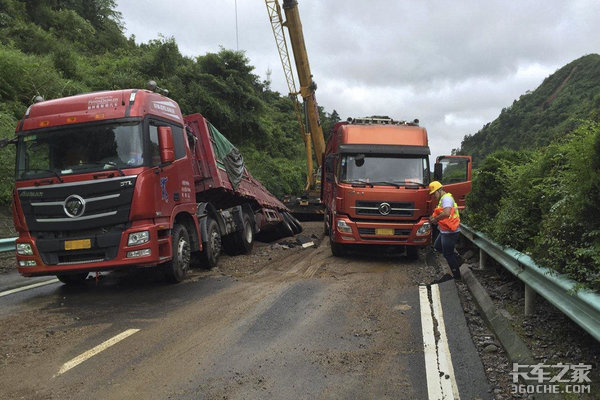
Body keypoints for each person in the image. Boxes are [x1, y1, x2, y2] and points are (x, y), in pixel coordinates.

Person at [428, 181, 463, 279]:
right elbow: (442, 214)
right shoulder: (442, 199)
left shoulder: (446, 199)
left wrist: (435, 219)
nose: (434, 196)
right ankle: (458, 259)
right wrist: (434, 219)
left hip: (450, 232)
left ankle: (457, 276)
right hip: (445, 230)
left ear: (439, 190)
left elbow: (447, 213)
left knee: (448, 254)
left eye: (434, 193)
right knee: (437, 246)